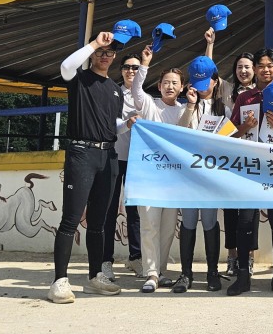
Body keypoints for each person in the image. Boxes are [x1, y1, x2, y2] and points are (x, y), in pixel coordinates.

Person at [48, 31, 124, 304]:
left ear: (114, 57)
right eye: (101, 51)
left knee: (99, 222)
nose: (105, 55)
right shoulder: (79, 79)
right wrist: (94, 42)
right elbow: (65, 66)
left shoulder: (116, 90)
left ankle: (95, 277)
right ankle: (59, 281)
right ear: (92, 54)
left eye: (109, 52)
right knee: (70, 219)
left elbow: (110, 124)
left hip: (108, 157)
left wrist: (127, 124)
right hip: (81, 153)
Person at [227, 48, 273, 297]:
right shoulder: (244, 98)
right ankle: (243, 277)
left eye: (270, 65)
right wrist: (243, 127)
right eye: (261, 65)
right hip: (249, 168)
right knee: (245, 222)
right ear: (255, 69)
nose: (265, 69)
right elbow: (228, 133)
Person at [131, 46, 186, 293]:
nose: (170, 86)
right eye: (165, 82)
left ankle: (160, 270)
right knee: (149, 224)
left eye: (175, 83)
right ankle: (150, 272)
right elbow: (135, 90)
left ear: (182, 87)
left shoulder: (185, 110)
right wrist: (144, 64)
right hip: (149, 176)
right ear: (159, 85)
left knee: (166, 227)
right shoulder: (149, 105)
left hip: (173, 180)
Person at [173, 55, 229, 294]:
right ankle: (186, 274)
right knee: (187, 221)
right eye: (197, 82)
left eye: (206, 81)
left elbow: (228, 138)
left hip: (210, 174)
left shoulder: (223, 107)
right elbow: (179, 131)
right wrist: (190, 105)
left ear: (215, 81)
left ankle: (212, 272)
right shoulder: (186, 104)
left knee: (208, 221)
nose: (202, 86)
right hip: (187, 174)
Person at [204, 28, 256, 277]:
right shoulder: (227, 91)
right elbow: (210, 72)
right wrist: (211, 44)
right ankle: (232, 257)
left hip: (254, 159)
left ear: (255, 69)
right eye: (239, 67)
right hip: (229, 159)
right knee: (231, 212)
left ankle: (250, 258)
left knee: (250, 212)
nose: (243, 71)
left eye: (247, 67)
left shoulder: (263, 92)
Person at [101, 53, 143, 281]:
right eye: (127, 67)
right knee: (108, 210)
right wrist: (127, 124)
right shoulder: (112, 92)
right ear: (121, 70)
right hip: (114, 157)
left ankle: (135, 257)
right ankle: (105, 260)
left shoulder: (146, 97)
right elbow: (110, 125)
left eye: (136, 68)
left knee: (135, 212)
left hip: (138, 161)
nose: (131, 71)